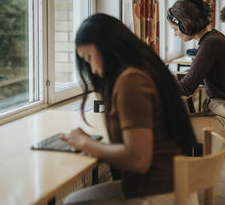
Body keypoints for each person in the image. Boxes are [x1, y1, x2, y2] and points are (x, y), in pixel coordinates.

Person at [61, 13, 198, 205]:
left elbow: (138, 160)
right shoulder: (144, 68)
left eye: (90, 57)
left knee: (72, 203)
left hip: (158, 194)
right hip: (172, 185)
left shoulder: (131, 82)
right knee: (74, 200)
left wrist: (86, 144)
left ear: (107, 48)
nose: (91, 69)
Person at [167, 0, 225, 145]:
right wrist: (163, 77)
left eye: (175, 29)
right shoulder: (213, 38)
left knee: (168, 128)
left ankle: (188, 168)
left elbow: (186, 87)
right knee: (174, 121)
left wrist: (151, 84)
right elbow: (194, 76)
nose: (174, 34)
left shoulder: (210, 44)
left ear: (186, 25)